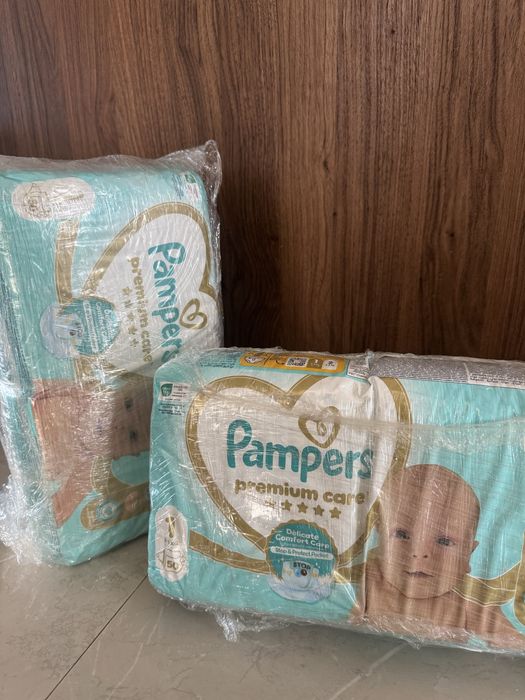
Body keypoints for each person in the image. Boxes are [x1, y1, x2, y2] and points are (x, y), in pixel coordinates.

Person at [352, 464, 523, 649]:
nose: (418, 552)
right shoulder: (369, 580)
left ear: (469, 553)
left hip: (447, 663)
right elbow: (341, 611)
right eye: (401, 534)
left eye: (444, 541)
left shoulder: (471, 602)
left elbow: (513, 640)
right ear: (380, 537)